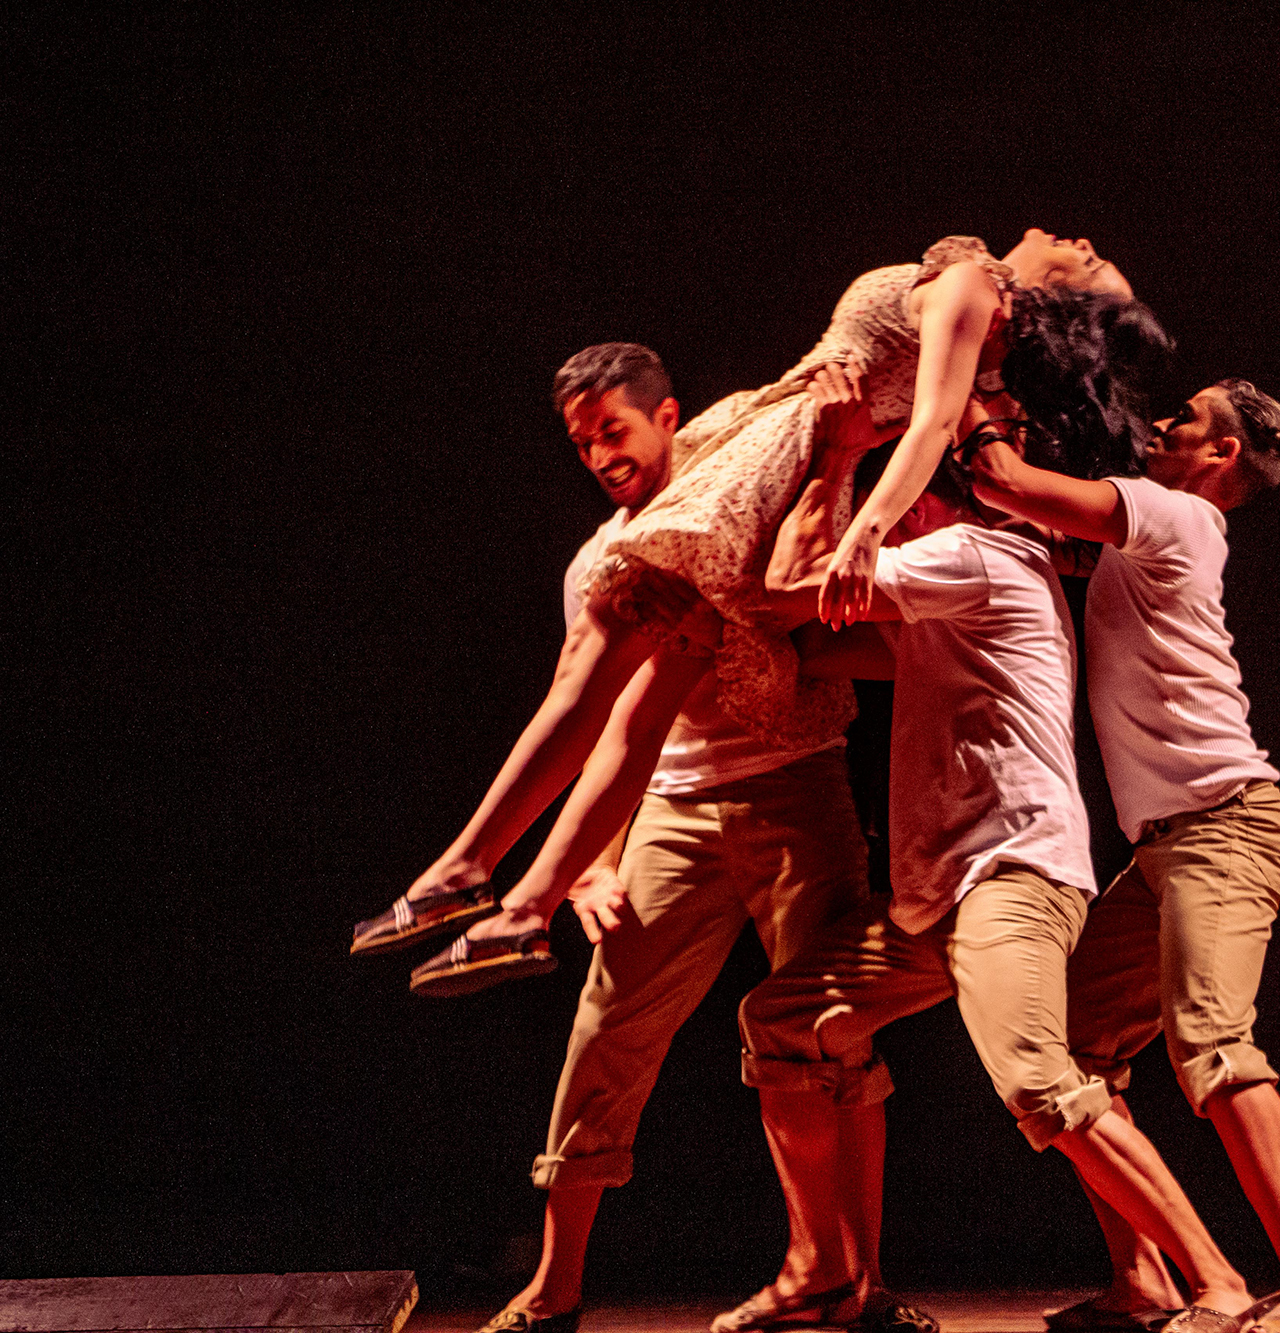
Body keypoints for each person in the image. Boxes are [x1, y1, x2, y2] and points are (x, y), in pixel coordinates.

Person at [353, 234, 1156, 995]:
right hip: (771, 443)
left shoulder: (974, 286)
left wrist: (867, 532)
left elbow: (932, 426)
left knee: (601, 646)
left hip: (777, 458)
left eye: (1089, 257)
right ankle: (522, 904)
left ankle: (470, 868)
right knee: (654, 678)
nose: (1078, 239)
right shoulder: (977, 319)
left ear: (1052, 290)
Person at [359, 345, 925, 1333]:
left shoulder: (746, 490)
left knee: (832, 1035)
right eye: (580, 442)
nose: (598, 455)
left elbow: (814, 583)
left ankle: (855, 1285)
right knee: (607, 1035)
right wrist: (594, 865)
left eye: (612, 431)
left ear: (668, 416)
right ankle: (553, 1285)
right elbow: (604, 727)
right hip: (670, 807)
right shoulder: (600, 561)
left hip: (798, 784)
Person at [716, 419, 1268, 1333]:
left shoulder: (976, 554)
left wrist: (836, 465)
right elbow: (818, 649)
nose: (881, 529)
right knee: (785, 1019)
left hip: (1009, 876)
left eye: (896, 511)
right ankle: (828, 1279)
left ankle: (1220, 1281)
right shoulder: (960, 592)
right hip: (941, 892)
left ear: (933, 500)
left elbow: (787, 597)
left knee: (1039, 1083)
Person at [969, 382, 1280, 1333]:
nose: (1161, 427)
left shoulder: (1177, 513)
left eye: (1184, 418)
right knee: (1080, 1045)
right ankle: (1145, 1278)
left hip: (1226, 825)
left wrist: (976, 396)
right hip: (1167, 848)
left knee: (1214, 1045)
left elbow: (1005, 481)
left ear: (1220, 454)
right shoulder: (1147, 531)